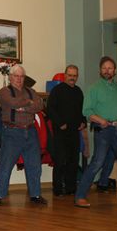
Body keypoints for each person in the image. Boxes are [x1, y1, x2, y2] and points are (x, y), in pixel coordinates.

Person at [74, 57, 117, 207]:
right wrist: (100, 120)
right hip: (104, 131)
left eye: (110, 68)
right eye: (104, 68)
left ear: (114, 71)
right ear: (100, 70)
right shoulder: (94, 88)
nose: (107, 70)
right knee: (97, 163)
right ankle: (80, 196)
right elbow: (86, 111)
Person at [0, 65, 47, 206]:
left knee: (34, 165)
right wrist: (29, 103)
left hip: (30, 132)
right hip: (12, 132)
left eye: (21, 76)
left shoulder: (31, 91)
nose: (19, 79)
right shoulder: (4, 91)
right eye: (16, 76)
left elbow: (40, 105)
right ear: (10, 77)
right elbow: (12, 102)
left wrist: (24, 106)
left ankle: (35, 195)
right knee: (5, 165)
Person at [47, 65, 86, 196]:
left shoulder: (79, 91)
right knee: (60, 161)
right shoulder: (56, 90)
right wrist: (60, 123)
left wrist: (83, 122)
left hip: (74, 132)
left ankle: (71, 188)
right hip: (61, 132)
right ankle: (57, 189)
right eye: (70, 75)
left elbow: (83, 110)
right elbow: (50, 109)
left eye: (75, 76)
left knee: (73, 161)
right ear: (65, 75)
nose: (72, 78)